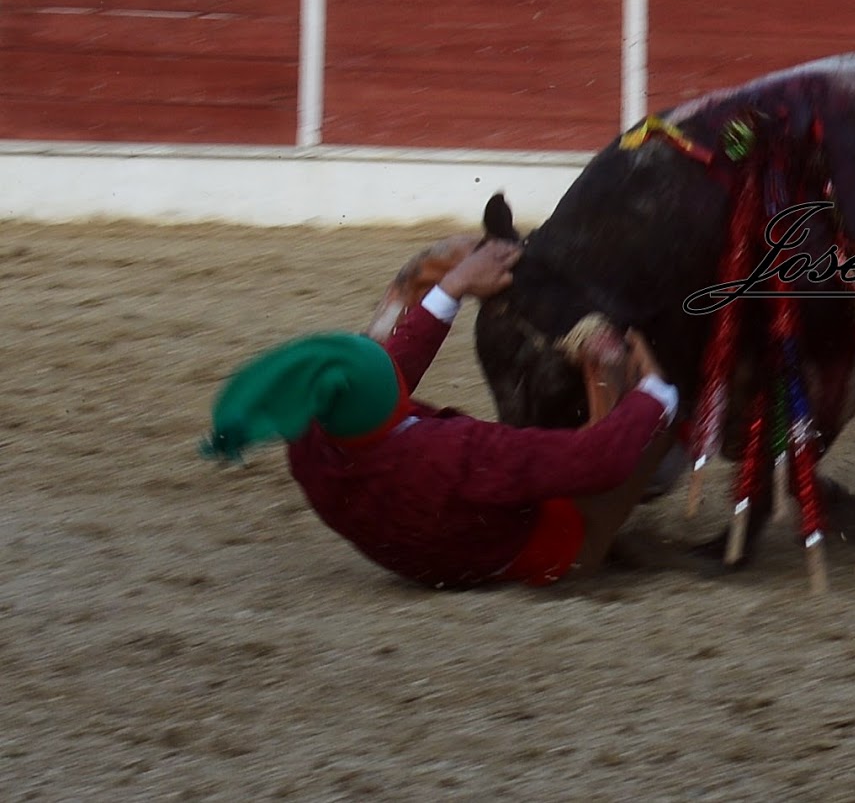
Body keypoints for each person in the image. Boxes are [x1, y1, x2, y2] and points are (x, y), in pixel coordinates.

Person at [201, 240, 680, 590]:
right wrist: (654, 395)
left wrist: (452, 287)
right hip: (549, 548)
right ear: (391, 398)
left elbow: (386, 373)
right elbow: (598, 461)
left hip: (430, 555)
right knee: (653, 405)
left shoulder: (311, 440)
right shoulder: (454, 456)